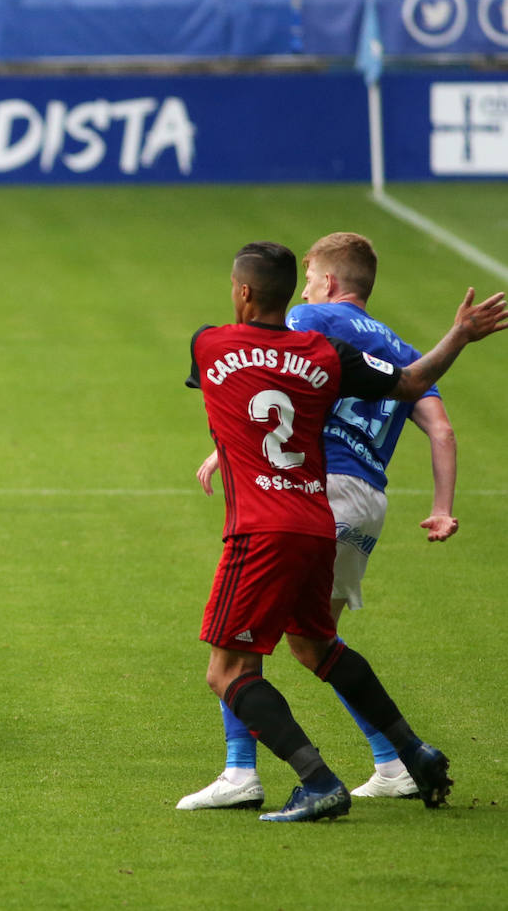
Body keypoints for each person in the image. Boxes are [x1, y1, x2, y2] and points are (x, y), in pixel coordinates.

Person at [182, 241, 505, 821]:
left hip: (261, 528)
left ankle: (313, 779)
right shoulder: (327, 354)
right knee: (313, 643)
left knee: (227, 669)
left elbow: (246, 393)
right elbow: (411, 385)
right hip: (316, 522)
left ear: (244, 292)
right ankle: (410, 752)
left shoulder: (209, 344)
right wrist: (458, 335)